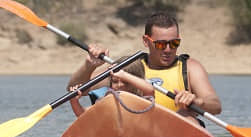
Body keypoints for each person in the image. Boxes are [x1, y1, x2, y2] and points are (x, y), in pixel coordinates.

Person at [66, 12, 221, 122]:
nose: (168, 49)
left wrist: (197, 102)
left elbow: (215, 105)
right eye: (160, 44)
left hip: (177, 136)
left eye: (174, 43)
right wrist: (89, 66)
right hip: (136, 132)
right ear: (146, 41)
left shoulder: (190, 68)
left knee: (188, 116)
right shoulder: (129, 67)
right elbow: (74, 89)